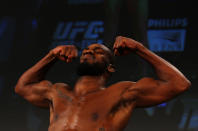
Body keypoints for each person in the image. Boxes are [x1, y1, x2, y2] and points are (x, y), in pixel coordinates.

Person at [15, 36, 191, 131]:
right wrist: (52, 55)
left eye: (97, 51)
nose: (89, 51)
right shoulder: (58, 91)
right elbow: (23, 87)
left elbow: (179, 84)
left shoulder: (122, 92)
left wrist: (139, 48)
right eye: (86, 50)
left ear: (110, 68)